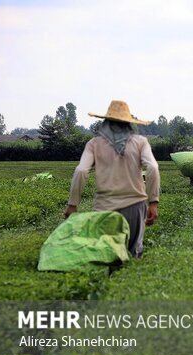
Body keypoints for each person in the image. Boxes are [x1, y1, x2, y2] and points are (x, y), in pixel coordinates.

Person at [64, 100, 160, 258]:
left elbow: (81, 171)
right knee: (133, 253)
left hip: (104, 208)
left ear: (106, 123)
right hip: (134, 207)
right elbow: (153, 168)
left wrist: (72, 204)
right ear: (129, 124)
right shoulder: (140, 142)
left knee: (105, 254)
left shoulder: (94, 144)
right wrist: (153, 202)